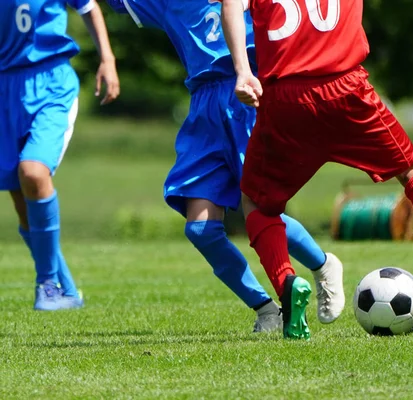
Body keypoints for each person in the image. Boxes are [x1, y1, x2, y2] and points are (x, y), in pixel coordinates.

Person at [220, 0, 413, 339]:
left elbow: (230, 5)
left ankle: (286, 283)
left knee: (257, 203)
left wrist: (243, 70)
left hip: (286, 99)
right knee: (412, 170)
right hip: (347, 89)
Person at [104, 0, 345, 332]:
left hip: (250, 99)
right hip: (204, 110)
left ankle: (322, 266)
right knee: (200, 228)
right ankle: (265, 309)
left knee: (259, 211)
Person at [1, 0, 120, 310]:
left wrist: (107, 59)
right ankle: (64, 291)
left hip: (50, 81)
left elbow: (88, 7)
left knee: (33, 172)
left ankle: (47, 285)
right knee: (21, 198)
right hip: (5, 88)